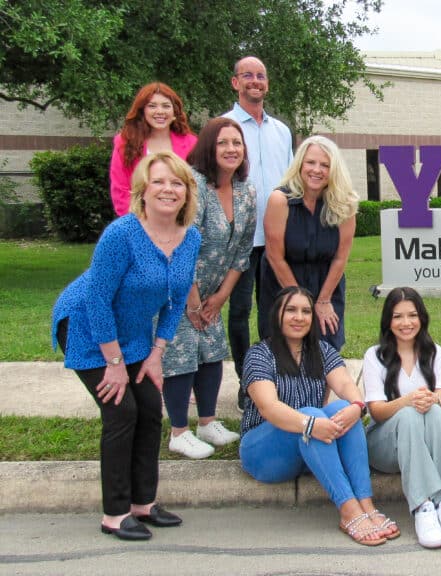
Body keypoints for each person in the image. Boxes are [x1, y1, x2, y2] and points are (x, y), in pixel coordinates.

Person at [53, 152, 201, 540]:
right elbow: (98, 299)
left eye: (177, 183)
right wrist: (114, 363)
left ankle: (142, 503)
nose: (168, 189)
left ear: (187, 192)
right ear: (142, 191)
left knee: (150, 408)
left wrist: (157, 354)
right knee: (122, 411)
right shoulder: (122, 234)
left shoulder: (191, 238)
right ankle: (115, 513)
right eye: (159, 182)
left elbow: (176, 299)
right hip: (86, 326)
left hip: (134, 333)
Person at [240, 286, 400, 546]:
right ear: (277, 314)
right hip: (263, 451)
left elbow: (345, 385)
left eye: (306, 311)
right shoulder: (260, 354)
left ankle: (366, 504)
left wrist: (356, 405)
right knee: (312, 415)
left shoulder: (321, 350)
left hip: (309, 446)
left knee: (342, 409)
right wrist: (310, 423)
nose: (299, 317)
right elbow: (268, 407)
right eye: (291, 310)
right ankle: (349, 511)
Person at [160, 118, 256, 459]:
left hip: (213, 292)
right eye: (223, 143)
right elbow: (181, 247)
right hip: (178, 290)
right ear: (208, 148)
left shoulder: (246, 191)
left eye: (237, 143)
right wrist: (194, 303)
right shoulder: (194, 185)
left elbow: (243, 250)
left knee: (213, 351)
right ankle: (178, 432)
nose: (231, 149)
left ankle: (207, 422)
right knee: (182, 354)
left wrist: (220, 297)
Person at [363, 287, 441, 549]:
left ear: (422, 317)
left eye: (412, 315)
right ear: (388, 321)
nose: (406, 323)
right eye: (398, 316)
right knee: (409, 415)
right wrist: (406, 401)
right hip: (385, 447)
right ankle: (422, 507)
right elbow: (376, 411)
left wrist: (432, 399)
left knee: (435, 411)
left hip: (422, 445)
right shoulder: (374, 356)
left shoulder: (434, 352)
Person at [223, 56, 294, 410]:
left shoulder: (281, 131)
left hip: (277, 240)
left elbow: (292, 182)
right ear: (235, 83)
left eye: (261, 76)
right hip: (240, 240)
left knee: (274, 313)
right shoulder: (225, 127)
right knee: (239, 312)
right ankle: (245, 381)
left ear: (267, 83)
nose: (255, 81)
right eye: (247, 75)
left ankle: (270, 376)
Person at [259, 136, 358, 355]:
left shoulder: (345, 204)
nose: (317, 170)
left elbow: (341, 257)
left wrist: (323, 301)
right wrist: (301, 305)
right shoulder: (279, 200)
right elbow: (275, 256)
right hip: (283, 283)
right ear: (300, 164)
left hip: (326, 285)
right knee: (284, 353)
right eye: (311, 162)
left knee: (325, 352)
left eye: (325, 165)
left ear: (334, 170)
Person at [109, 83, 197, 217]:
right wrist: (139, 222)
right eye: (152, 106)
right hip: (138, 220)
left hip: (182, 219)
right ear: (142, 111)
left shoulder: (192, 143)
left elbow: (196, 187)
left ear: (175, 111)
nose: (160, 111)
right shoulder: (125, 143)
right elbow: (120, 189)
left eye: (166, 106)